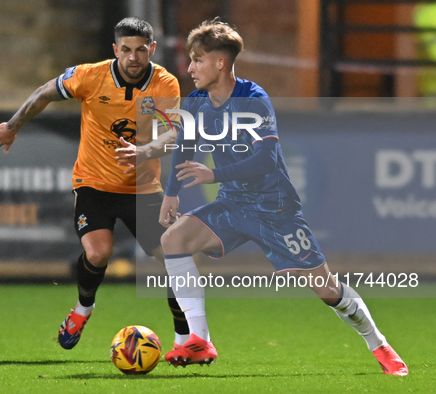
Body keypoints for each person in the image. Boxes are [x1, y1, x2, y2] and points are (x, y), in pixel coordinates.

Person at [158, 18, 408, 376]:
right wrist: (172, 193)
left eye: (197, 59)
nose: (190, 67)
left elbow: (265, 160)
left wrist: (214, 174)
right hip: (232, 203)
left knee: (326, 289)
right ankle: (199, 340)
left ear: (220, 63)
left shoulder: (254, 100)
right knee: (174, 239)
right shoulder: (197, 102)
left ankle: (379, 344)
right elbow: (185, 146)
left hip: (274, 208)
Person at [0, 17, 190, 351]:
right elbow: (44, 93)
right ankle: (83, 308)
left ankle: (185, 340)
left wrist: (145, 150)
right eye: (126, 50)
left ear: (152, 50)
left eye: (141, 50)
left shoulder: (164, 83)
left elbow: (174, 134)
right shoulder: (89, 75)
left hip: (142, 188)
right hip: (94, 184)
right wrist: (13, 125)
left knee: (177, 259)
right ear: (115, 50)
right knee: (99, 252)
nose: (133, 57)